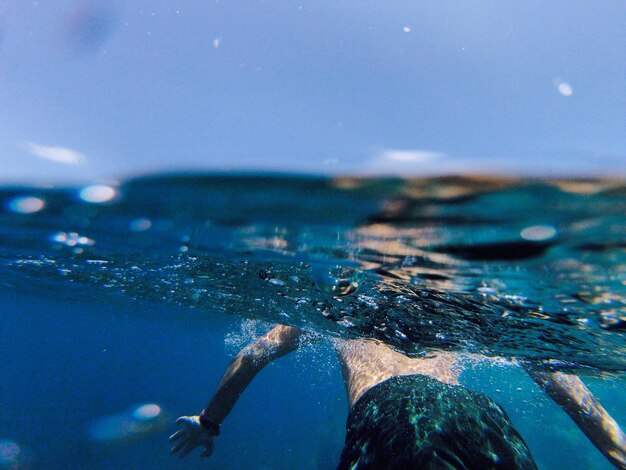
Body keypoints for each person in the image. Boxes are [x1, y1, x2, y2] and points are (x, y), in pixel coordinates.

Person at [170, 324, 626, 469]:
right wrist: (616, 450)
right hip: (474, 413)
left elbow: (253, 356)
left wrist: (208, 421)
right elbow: (553, 374)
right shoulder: (454, 304)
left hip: (389, 413)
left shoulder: (335, 300)